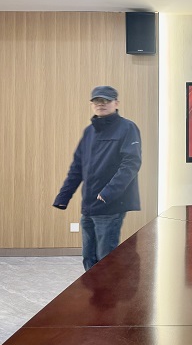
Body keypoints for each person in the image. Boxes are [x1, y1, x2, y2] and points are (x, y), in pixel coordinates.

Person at [53, 86, 142, 271]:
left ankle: (108, 290)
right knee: (88, 256)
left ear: (116, 103)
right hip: (88, 205)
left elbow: (131, 164)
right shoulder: (89, 132)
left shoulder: (127, 128)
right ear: (92, 104)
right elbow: (77, 167)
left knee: (105, 258)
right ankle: (92, 290)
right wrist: (63, 196)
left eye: (106, 100)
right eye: (97, 101)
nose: (101, 104)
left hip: (110, 205)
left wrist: (108, 192)